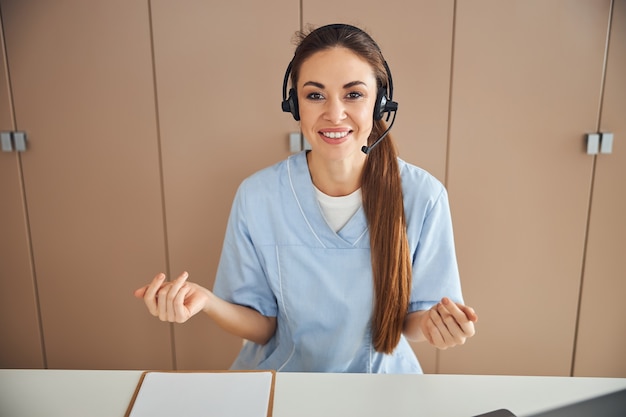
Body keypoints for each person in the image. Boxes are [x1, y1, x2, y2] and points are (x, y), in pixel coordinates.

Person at [134, 23, 477, 373]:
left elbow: (414, 320)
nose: (334, 113)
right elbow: (262, 325)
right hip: (280, 382)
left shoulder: (424, 196)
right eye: (315, 95)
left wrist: (437, 325)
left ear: (380, 103)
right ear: (294, 105)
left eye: (353, 95)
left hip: (379, 386)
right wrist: (206, 301)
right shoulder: (258, 196)